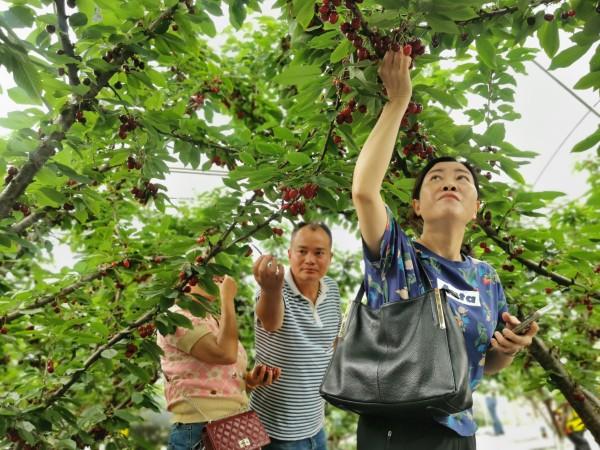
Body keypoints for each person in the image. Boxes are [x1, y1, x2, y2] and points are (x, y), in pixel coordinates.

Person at [351, 49, 539, 449]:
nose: (449, 183)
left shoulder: (486, 277)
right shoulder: (398, 257)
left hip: (460, 432)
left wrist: (510, 349)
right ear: (416, 205)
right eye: (435, 178)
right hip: (396, 428)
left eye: (461, 180)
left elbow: (483, 365)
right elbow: (365, 192)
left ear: (475, 208)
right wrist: (397, 102)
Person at [157, 275, 281, 450]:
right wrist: (227, 299)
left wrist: (250, 380)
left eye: (218, 274)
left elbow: (222, 379)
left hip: (236, 424)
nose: (218, 279)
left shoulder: (211, 318)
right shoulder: (175, 317)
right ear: (184, 278)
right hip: (199, 428)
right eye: (209, 273)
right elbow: (225, 355)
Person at [250, 223, 341, 450]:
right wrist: (271, 290)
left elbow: (330, 343)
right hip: (275, 433)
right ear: (290, 254)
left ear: (330, 257)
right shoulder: (274, 291)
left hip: (316, 427)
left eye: (319, 253)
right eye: (302, 251)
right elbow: (271, 322)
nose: (310, 259)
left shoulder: (332, 289)